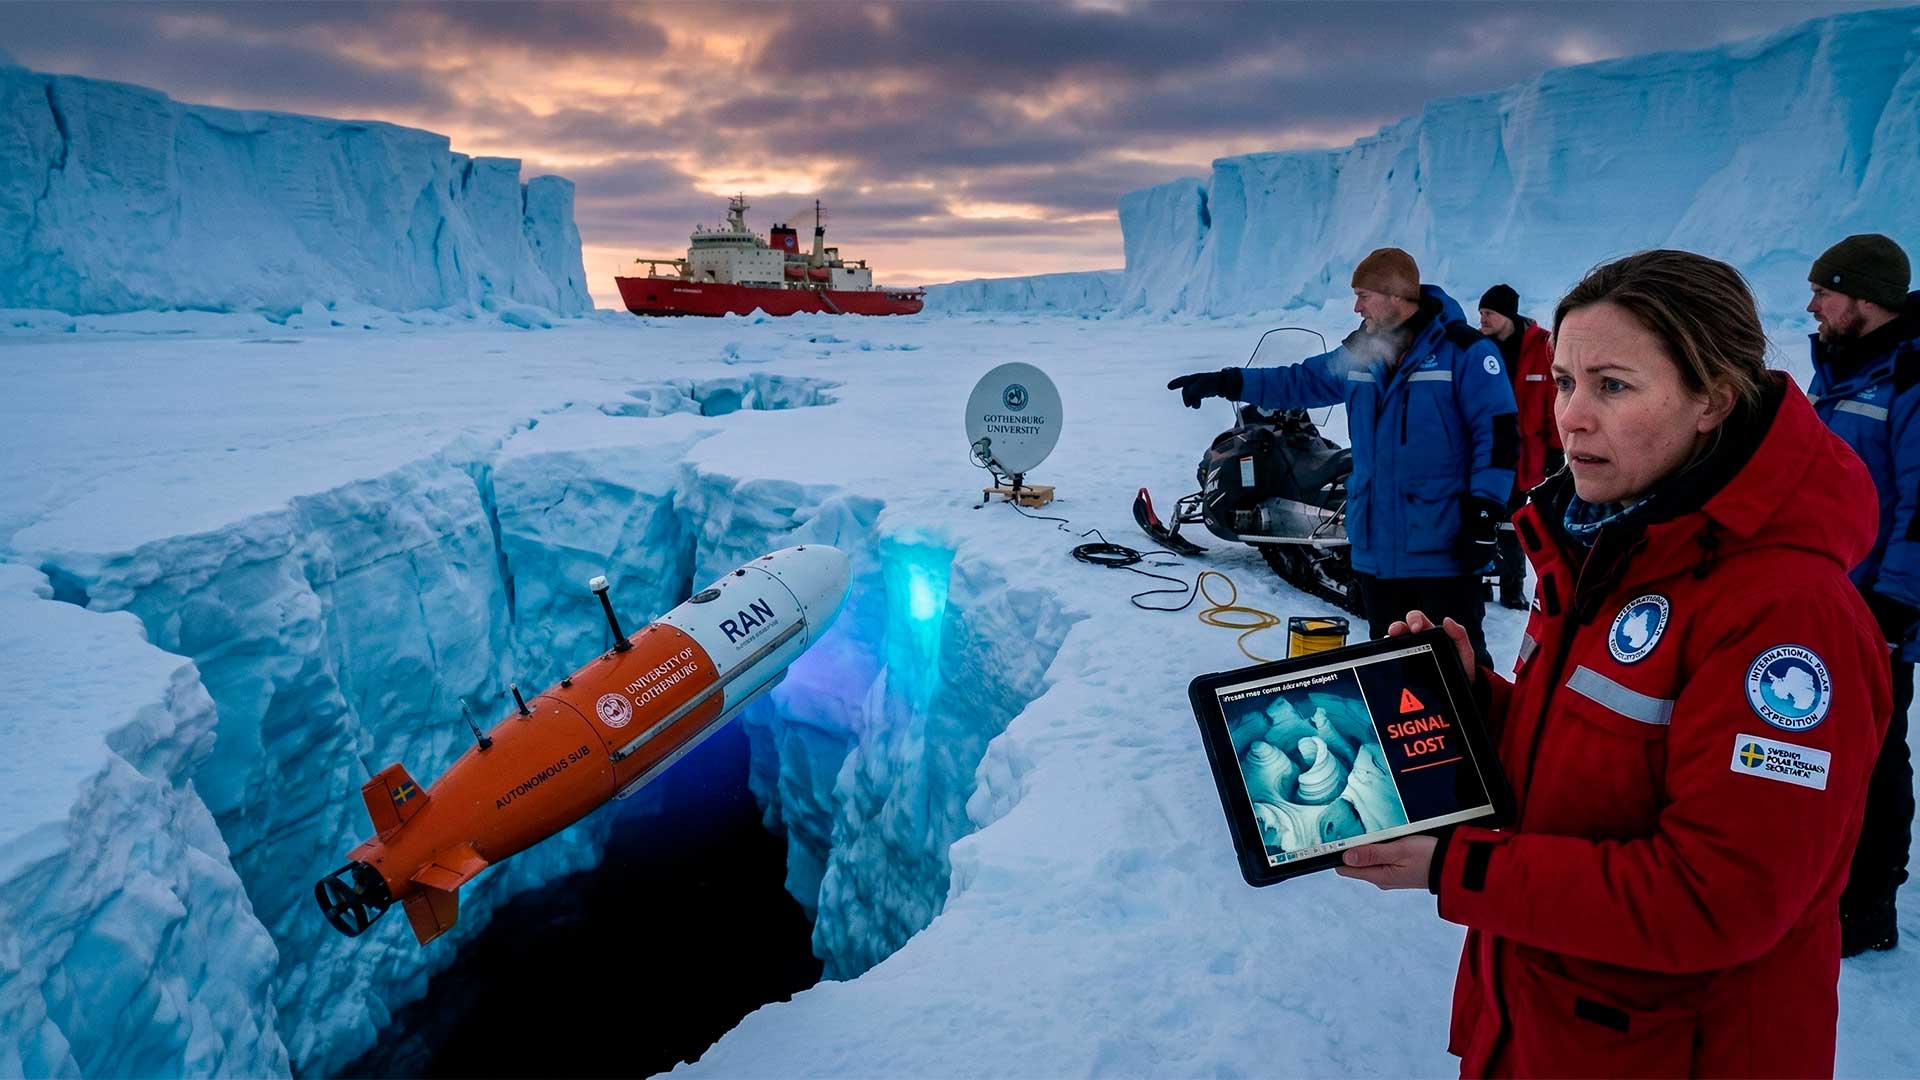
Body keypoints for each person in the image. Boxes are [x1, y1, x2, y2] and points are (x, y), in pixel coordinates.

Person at [1336, 250, 1890, 1077]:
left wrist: (1457, 866)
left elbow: (1715, 900)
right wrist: (1475, 703)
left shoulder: (1785, 616)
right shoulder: (1613, 543)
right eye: (1562, 382)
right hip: (1554, 1025)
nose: (1571, 418)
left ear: (1712, 400)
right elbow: (1599, 759)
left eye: (1613, 386)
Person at [1168, 248, 1518, 668]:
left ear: (1394, 296)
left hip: (1442, 549)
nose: (1356, 306)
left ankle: (1476, 732)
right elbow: (1299, 380)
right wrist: (1227, 381)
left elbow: (1497, 438)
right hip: (1375, 548)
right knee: (1388, 665)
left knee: (1459, 665)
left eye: (1363, 295)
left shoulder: (1465, 353)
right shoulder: (1361, 354)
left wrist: (1484, 511)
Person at [1805, 232, 1920, 956]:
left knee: (1876, 757)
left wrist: (1894, 607)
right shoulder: (1842, 368)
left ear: (1866, 299)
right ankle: (1828, 882)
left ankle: (1870, 905)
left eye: (1825, 291)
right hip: (1823, 600)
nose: (1812, 306)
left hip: (1875, 608)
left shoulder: (1909, 379)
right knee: (1823, 749)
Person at [1477, 284, 1560, 610]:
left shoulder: (1542, 347)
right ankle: (1480, 580)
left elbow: (1555, 400)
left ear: (1507, 315)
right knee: (1481, 515)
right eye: (1481, 312)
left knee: (1516, 521)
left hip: (1525, 456)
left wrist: (1555, 451)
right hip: (1484, 452)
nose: (1481, 318)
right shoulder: (1477, 348)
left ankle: (1513, 586)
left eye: (1488, 313)